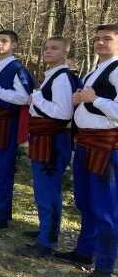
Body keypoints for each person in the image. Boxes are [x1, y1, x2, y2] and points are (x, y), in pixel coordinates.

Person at [54, 24, 118, 277]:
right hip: (85, 143)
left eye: (107, 39)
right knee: (85, 202)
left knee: (105, 208)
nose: (100, 43)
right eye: (97, 39)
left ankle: (104, 266)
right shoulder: (95, 71)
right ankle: (84, 251)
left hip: (106, 146)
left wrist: (94, 100)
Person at [15, 36, 79, 258]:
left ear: (65, 53)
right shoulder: (52, 76)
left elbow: (63, 113)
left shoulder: (61, 78)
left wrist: (36, 98)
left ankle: (46, 242)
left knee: (48, 190)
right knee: (44, 189)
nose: (48, 51)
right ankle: (45, 231)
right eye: (46, 48)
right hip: (44, 138)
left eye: (55, 48)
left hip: (52, 141)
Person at [0, 30, 34, 231]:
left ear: (15, 45)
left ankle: (1, 216)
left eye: (5, 41)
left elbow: (24, 97)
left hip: (5, 123)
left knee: (1, 168)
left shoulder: (17, 68)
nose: (0, 44)